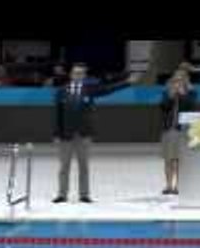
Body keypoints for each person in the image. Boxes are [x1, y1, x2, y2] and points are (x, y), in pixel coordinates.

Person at [53, 63, 140, 203]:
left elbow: (109, 89)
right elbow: (57, 114)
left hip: (84, 135)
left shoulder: (90, 89)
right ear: (71, 74)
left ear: (84, 76)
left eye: (81, 73)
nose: (78, 75)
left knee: (84, 167)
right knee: (64, 167)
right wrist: (56, 134)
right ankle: (62, 194)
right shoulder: (61, 91)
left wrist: (127, 83)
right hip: (65, 135)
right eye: (75, 73)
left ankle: (84, 195)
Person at [160, 70, 197, 196]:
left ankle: (178, 186)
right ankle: (168, 185)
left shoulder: (191, 93)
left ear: (185, 80)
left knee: (179, 160)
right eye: (175, 80)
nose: (177, 82)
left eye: (180, 80)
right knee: (168, 160)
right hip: (169, 129)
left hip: (183, 130)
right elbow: (163, 107)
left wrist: (182, 95)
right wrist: (171, 96)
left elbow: (191, 107)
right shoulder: (167, 92)